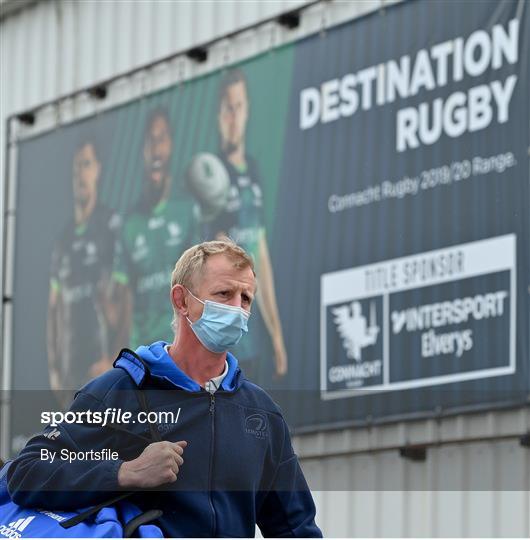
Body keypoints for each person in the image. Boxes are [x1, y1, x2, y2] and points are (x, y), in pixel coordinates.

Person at [7, 239, 322, 538]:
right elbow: (26, 472)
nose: (237, 309)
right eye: (224, 294)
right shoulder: (119, 391)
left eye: (246, 298)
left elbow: (295, 528)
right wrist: (124, 472)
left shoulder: (261, 413)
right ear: (181, 300)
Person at [200, 69, 288, 378]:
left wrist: (277, 335)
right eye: (227, 108)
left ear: (247, 110)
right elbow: (225, 259)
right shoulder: (211, 175)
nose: (233, 117)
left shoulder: (253, 169)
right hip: (229, 344)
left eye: (238, 107)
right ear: (218, 115)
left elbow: (260, 255)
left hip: (257, 339)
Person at [110, 107, 198, 350]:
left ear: (171, 145)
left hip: (181, 350)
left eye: (162, 139)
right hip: (143, 354)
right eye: (150, 140)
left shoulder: (188, 208)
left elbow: (201, 284)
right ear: (142, 151)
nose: (156, 149)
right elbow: (123, 300)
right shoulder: (129, 222)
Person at [47, 139, 120, 404]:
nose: (81, 174)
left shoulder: (110, 226)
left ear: (98, 170)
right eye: (77, 167)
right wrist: (54, 369)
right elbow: (53, 310)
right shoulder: (62, 241)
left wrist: (114, 357)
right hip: (70, 374)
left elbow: (124, 298)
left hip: (101, 370)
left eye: (87, 165)